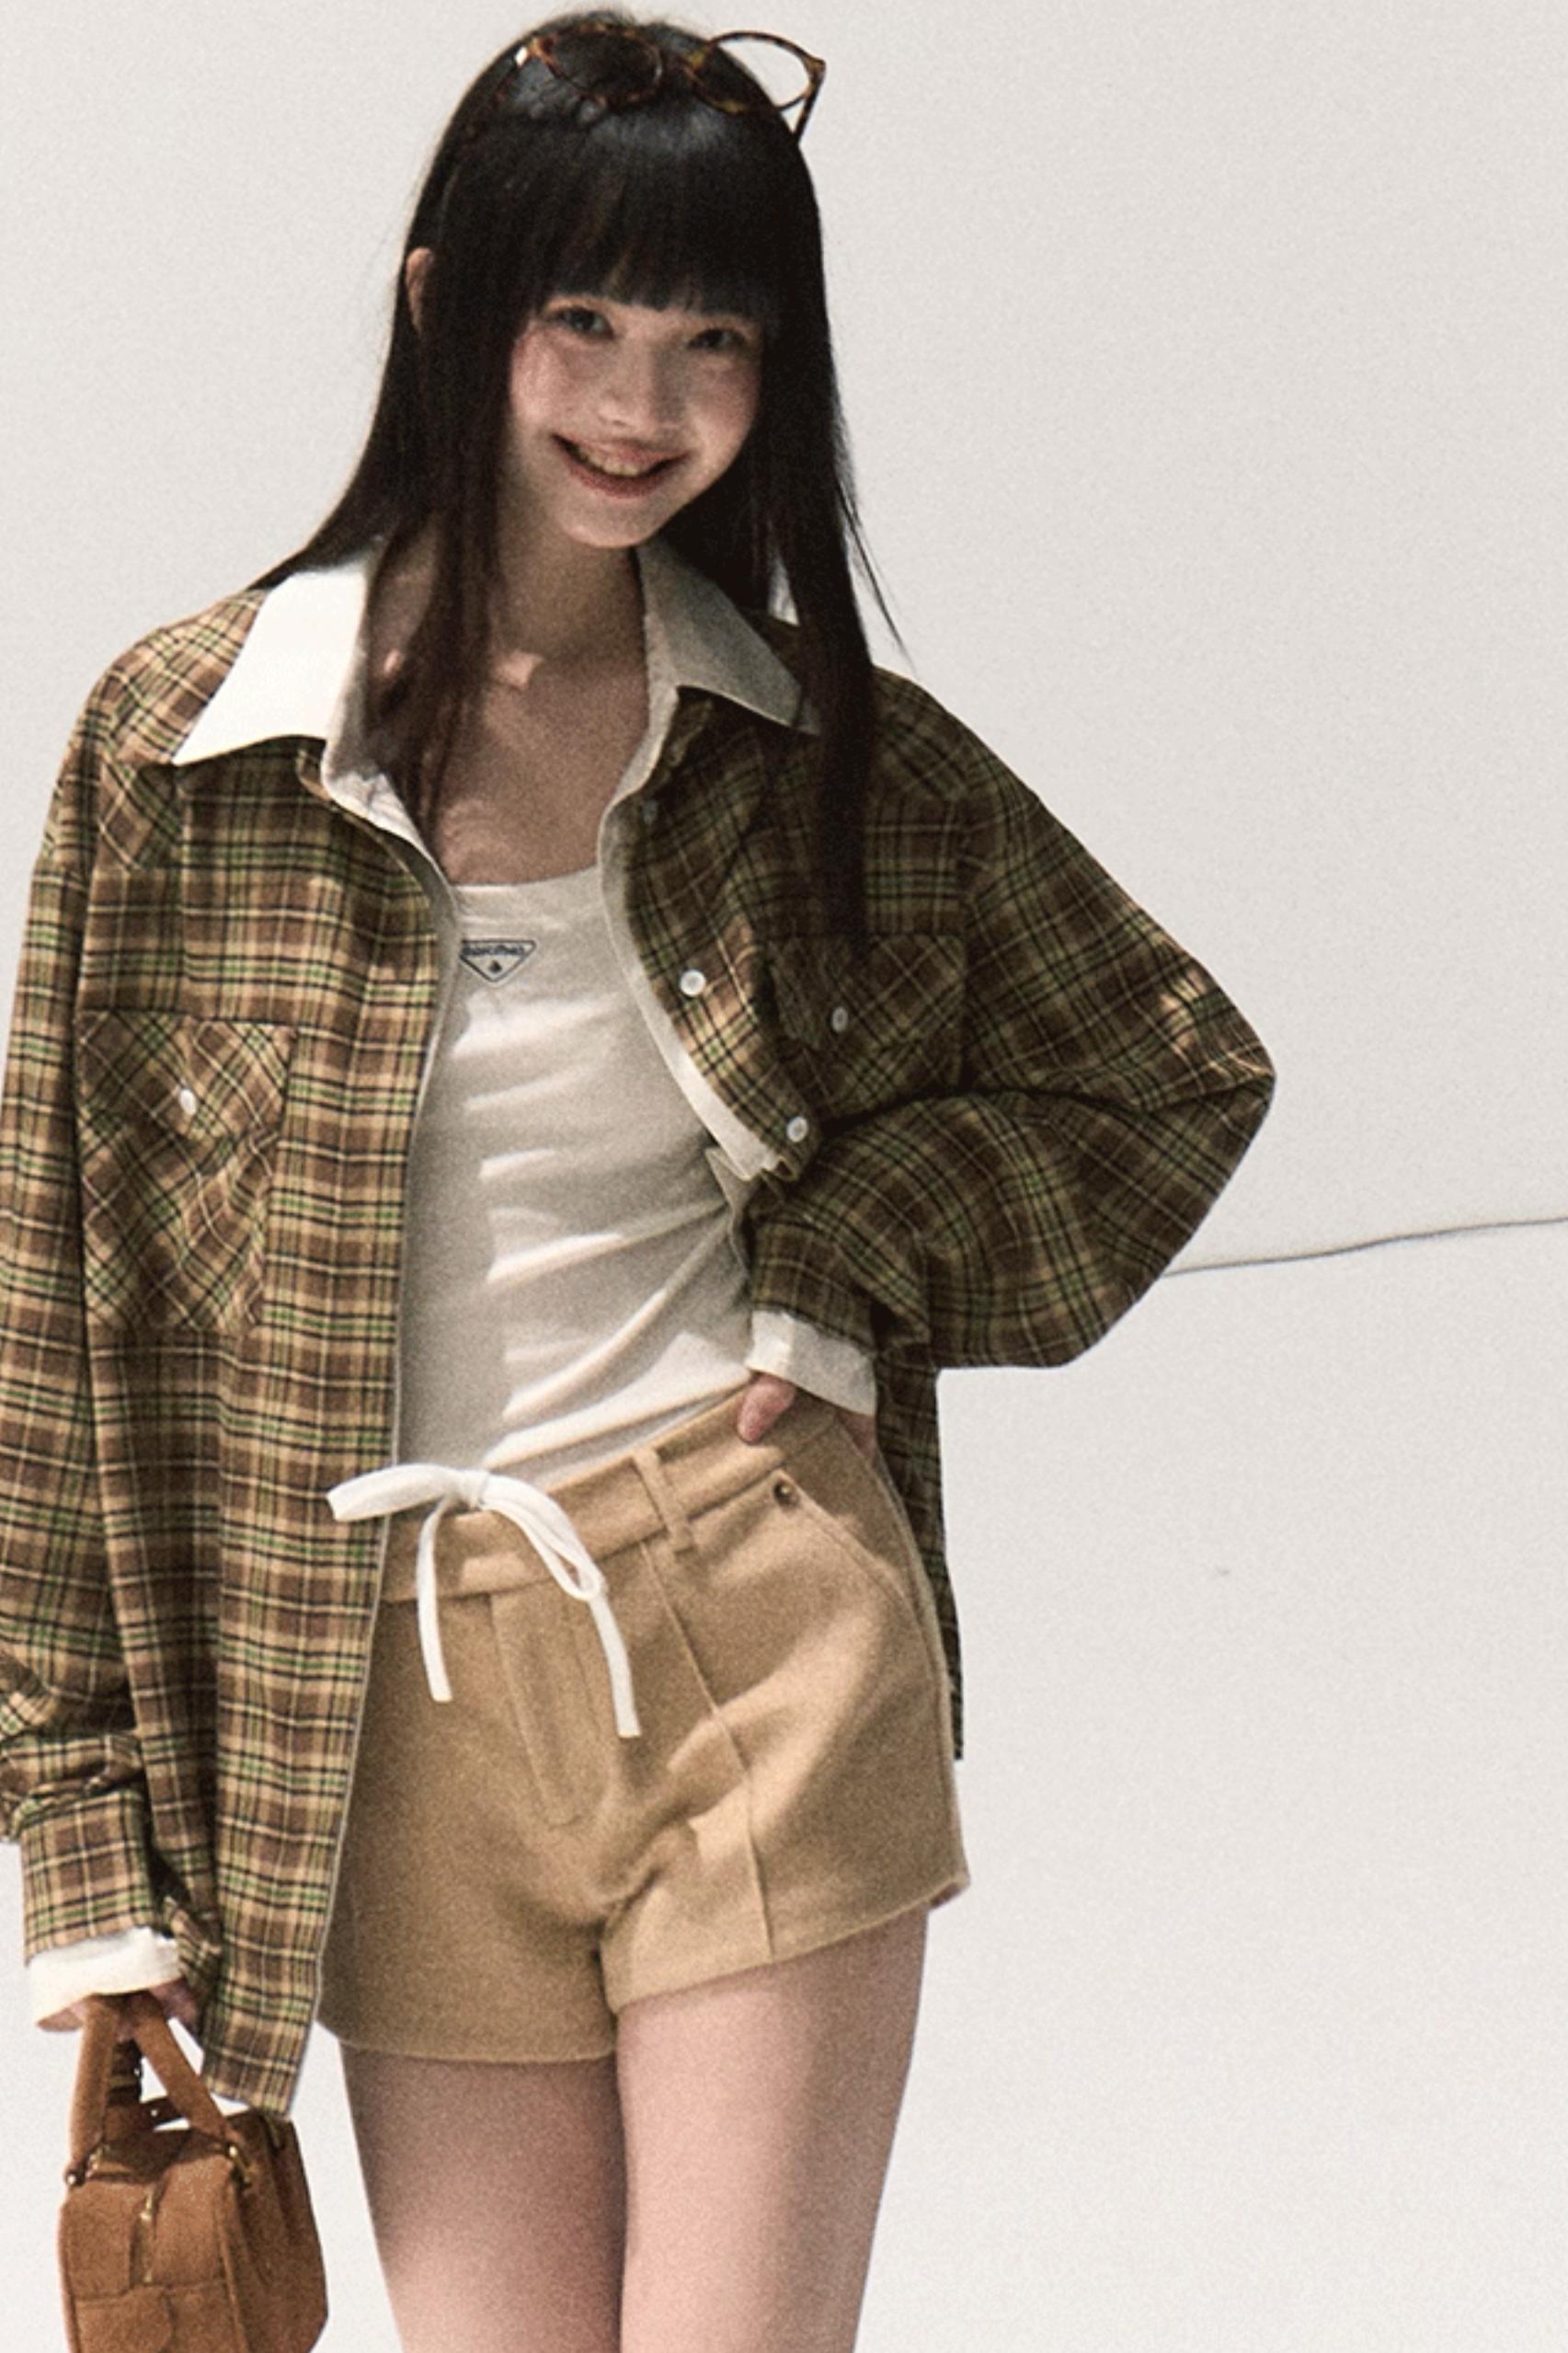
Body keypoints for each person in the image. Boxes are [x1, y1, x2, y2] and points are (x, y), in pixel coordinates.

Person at [0, 14, 1276, 2349]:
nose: (641, 397)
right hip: (377, 1696)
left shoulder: (812, 752)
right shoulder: (186, 753)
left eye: (714, 339)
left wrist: (845, 1263)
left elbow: (1166, 1073)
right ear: (445, 305)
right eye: (582, 315)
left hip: (751, 1622)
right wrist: (85, 1843)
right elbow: (49, 1314)